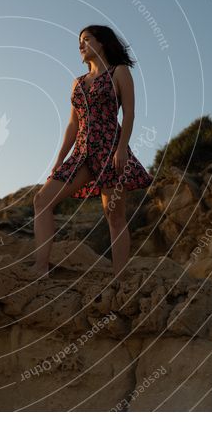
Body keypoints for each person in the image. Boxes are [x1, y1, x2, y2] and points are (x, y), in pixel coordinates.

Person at [29, 25, 154, 278]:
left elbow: (129, 113)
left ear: (102, 43)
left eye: (86, 39)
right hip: (82, 153)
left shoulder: (119, 72)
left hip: (110, 150)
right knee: (41, 201)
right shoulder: (77, 82)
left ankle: (118, 277)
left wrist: (121, 149)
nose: (81, 45)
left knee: (114, 216)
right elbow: (73, 124)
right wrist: (59, 160)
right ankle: (40, 267)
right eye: (79, 41)